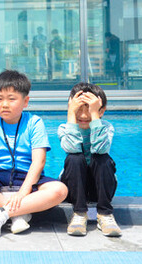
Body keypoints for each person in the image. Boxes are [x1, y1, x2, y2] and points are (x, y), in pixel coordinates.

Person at [0, 70, 67, 237]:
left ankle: (1, 213)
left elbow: (39, 162)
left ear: (25, 101)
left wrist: (23, 191)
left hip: (27, 177)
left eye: (11, 99)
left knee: (60, 190)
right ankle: (18, 213)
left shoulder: (34, 123)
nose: (4, 104)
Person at [58, 82, 121, 237]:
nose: (84, 115)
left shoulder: (106, 127)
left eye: (90, 109)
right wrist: (71, 116)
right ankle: (79, 213)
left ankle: (105, 214)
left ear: (101, 111)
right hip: (73, 187)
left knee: (102, 158)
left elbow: (101, 149)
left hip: (100, 189)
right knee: (74, 158)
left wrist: (95, 118)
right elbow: (71, 148)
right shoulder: (64, 128)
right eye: (79, 108)